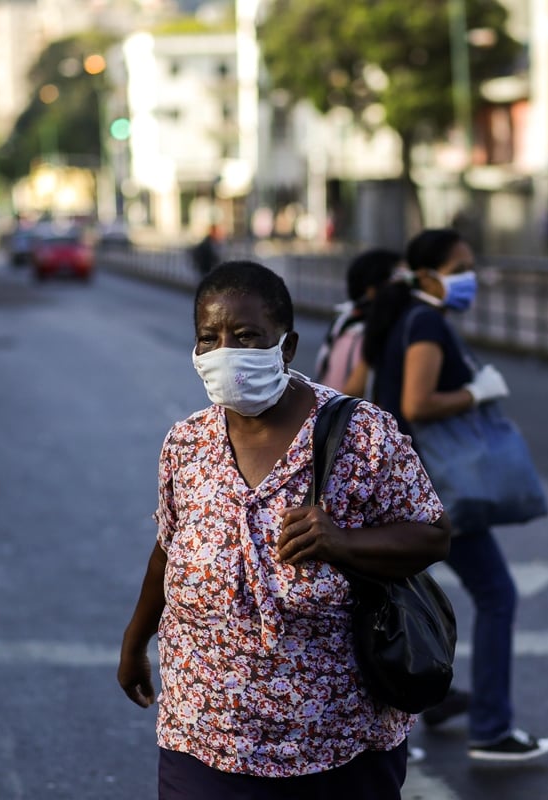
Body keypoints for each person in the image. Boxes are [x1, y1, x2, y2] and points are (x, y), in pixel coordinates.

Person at [118, 260, 452, 798]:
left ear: (287, 346)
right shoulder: (185, 444)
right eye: (210, 337)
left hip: (337, 738)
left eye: (246, 336)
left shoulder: (361, 434)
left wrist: (343, 542)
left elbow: (433, 536)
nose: (226, 351)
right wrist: (135, 642)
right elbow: (168, 547)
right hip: (205, 734)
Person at [362, 228, 548, 763]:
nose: (469, 277)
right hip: (439, 487)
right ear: (428, 275)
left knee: (401, 599)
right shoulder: (426, 321)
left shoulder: (410, 317)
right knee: (497, 594)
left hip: (408, 483)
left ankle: (433, 702)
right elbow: (417, 403)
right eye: (459, 267)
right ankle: (492, 728)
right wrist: (478, 392)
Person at [314, 248, 399, 394]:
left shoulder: (344, 321)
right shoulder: (362, 332)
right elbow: (351, 391)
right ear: (372, 291)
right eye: (400, 280)